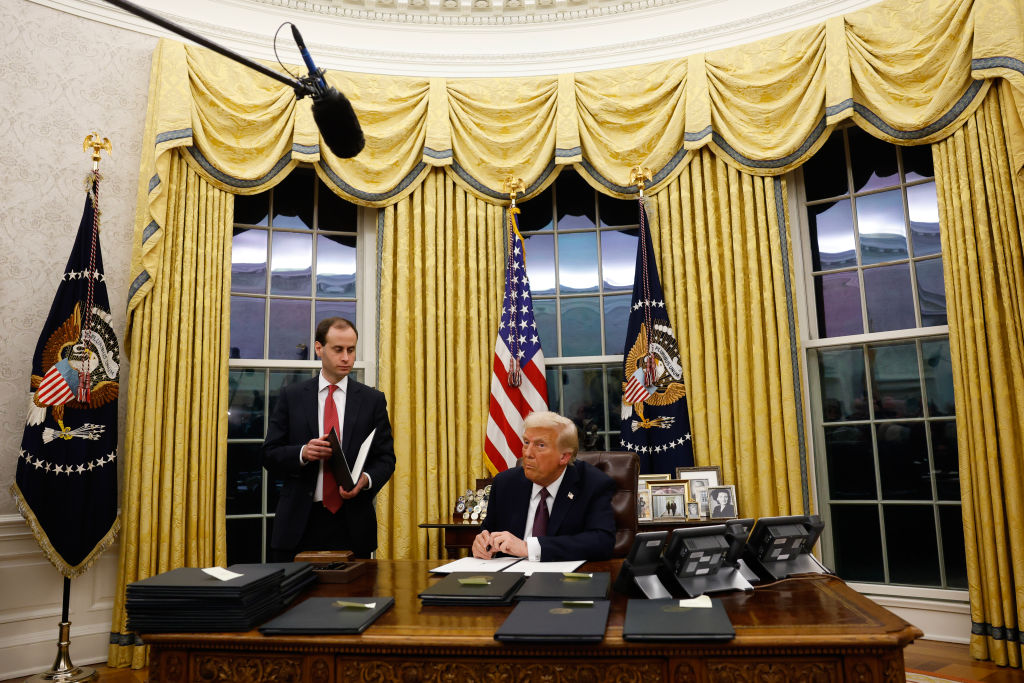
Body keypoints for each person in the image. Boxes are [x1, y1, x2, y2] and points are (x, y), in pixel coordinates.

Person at [262, 317, 395, 560]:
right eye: (338, 350)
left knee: (356, 597)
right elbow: (269, 453)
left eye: (351, 350)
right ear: (319, 348)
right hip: (299, 522)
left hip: (353, 524)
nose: (346, 357)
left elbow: (386, 459)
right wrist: (303, 453)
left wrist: (365, 480)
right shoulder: (292, 396)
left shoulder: (372, 401)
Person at [471, 411, 615, 562]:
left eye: (540, 445)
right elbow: (488, 533)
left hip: (564, 581)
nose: (527, 453)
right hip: (511, 579)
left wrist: (528, 548)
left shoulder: (593, 483)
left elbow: (602, 542)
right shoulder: (505, 483)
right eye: (526, 442)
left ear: (564, 456)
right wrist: (482, 545)